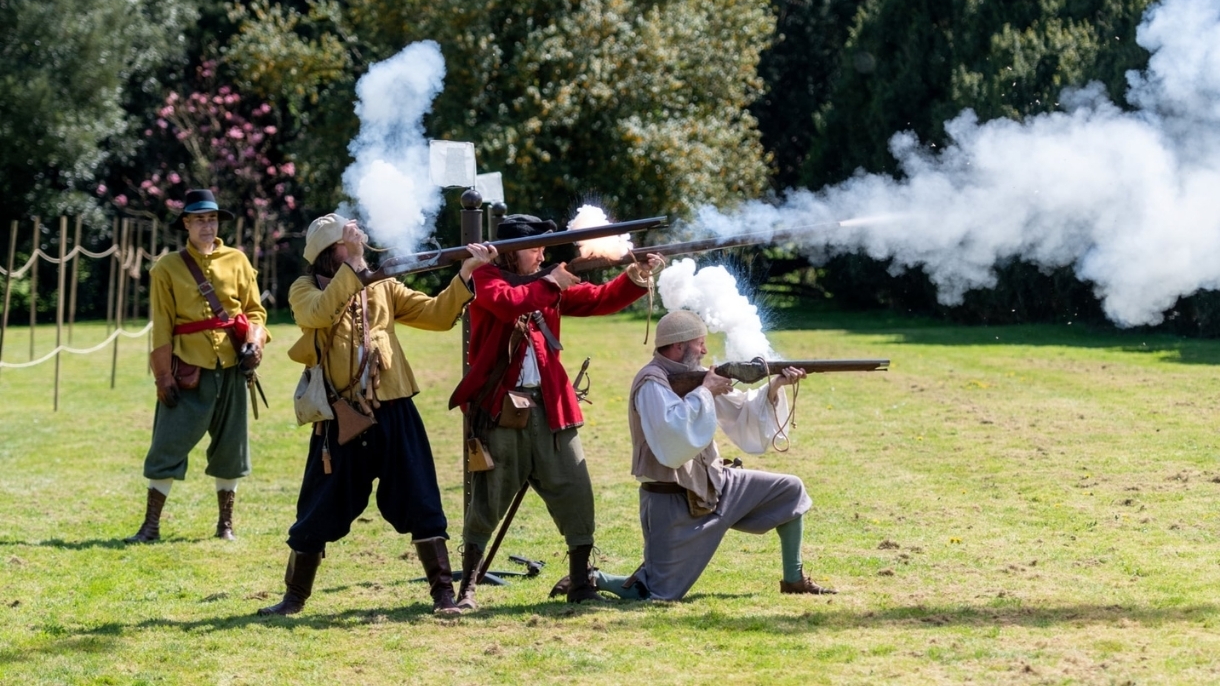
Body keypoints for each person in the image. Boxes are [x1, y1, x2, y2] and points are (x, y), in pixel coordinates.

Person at [257, 213, 496, 618]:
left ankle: (443, 596)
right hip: (339, 417)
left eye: (357, 244)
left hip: (395, 408)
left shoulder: (381, 285)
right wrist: (354, 270)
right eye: (347, 245)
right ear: (327, 255)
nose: (358, 249)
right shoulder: (305, 288)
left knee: (422, 500)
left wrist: (466, 275)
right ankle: (293, 599)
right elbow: (317, 314)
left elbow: (438, 316)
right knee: (316, 509)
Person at [447, 213, 664, 610]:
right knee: (486, 501)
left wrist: (635, 275)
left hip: (552, 410)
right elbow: (509, 303)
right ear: (512, 253)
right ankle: (468, 590)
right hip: (501, 409)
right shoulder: (485, 279)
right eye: (535, 248)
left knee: (575, 494)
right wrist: (551, 282)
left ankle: (581, 584)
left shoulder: (546, 286)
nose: (542, 254)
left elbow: (599, 300)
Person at [589, 309, 836, 601]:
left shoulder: (696, 377)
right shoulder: (651, 381)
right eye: (700, 343)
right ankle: (594, 578)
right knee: (659, 592)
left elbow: (741, 410)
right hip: (672, 498)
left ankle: (794, 580)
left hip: (717, 483)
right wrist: (706, 391)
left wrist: (775, 384)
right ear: (679, 345)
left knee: (789, 490)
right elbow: (673, 435)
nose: (705, 350)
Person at [125, 188, 269, 544]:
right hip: (188, 368)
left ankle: (226, 525)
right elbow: (161, 324)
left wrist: (255, 342)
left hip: (233, 366)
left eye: (212, 218)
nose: (207, 225)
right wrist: (162, 375)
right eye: (199, 219)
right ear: (186, 223)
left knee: (231, 448)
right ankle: (151, 526)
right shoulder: (166, 268)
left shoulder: (238, 260)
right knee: (167, 446)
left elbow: (255, 312)